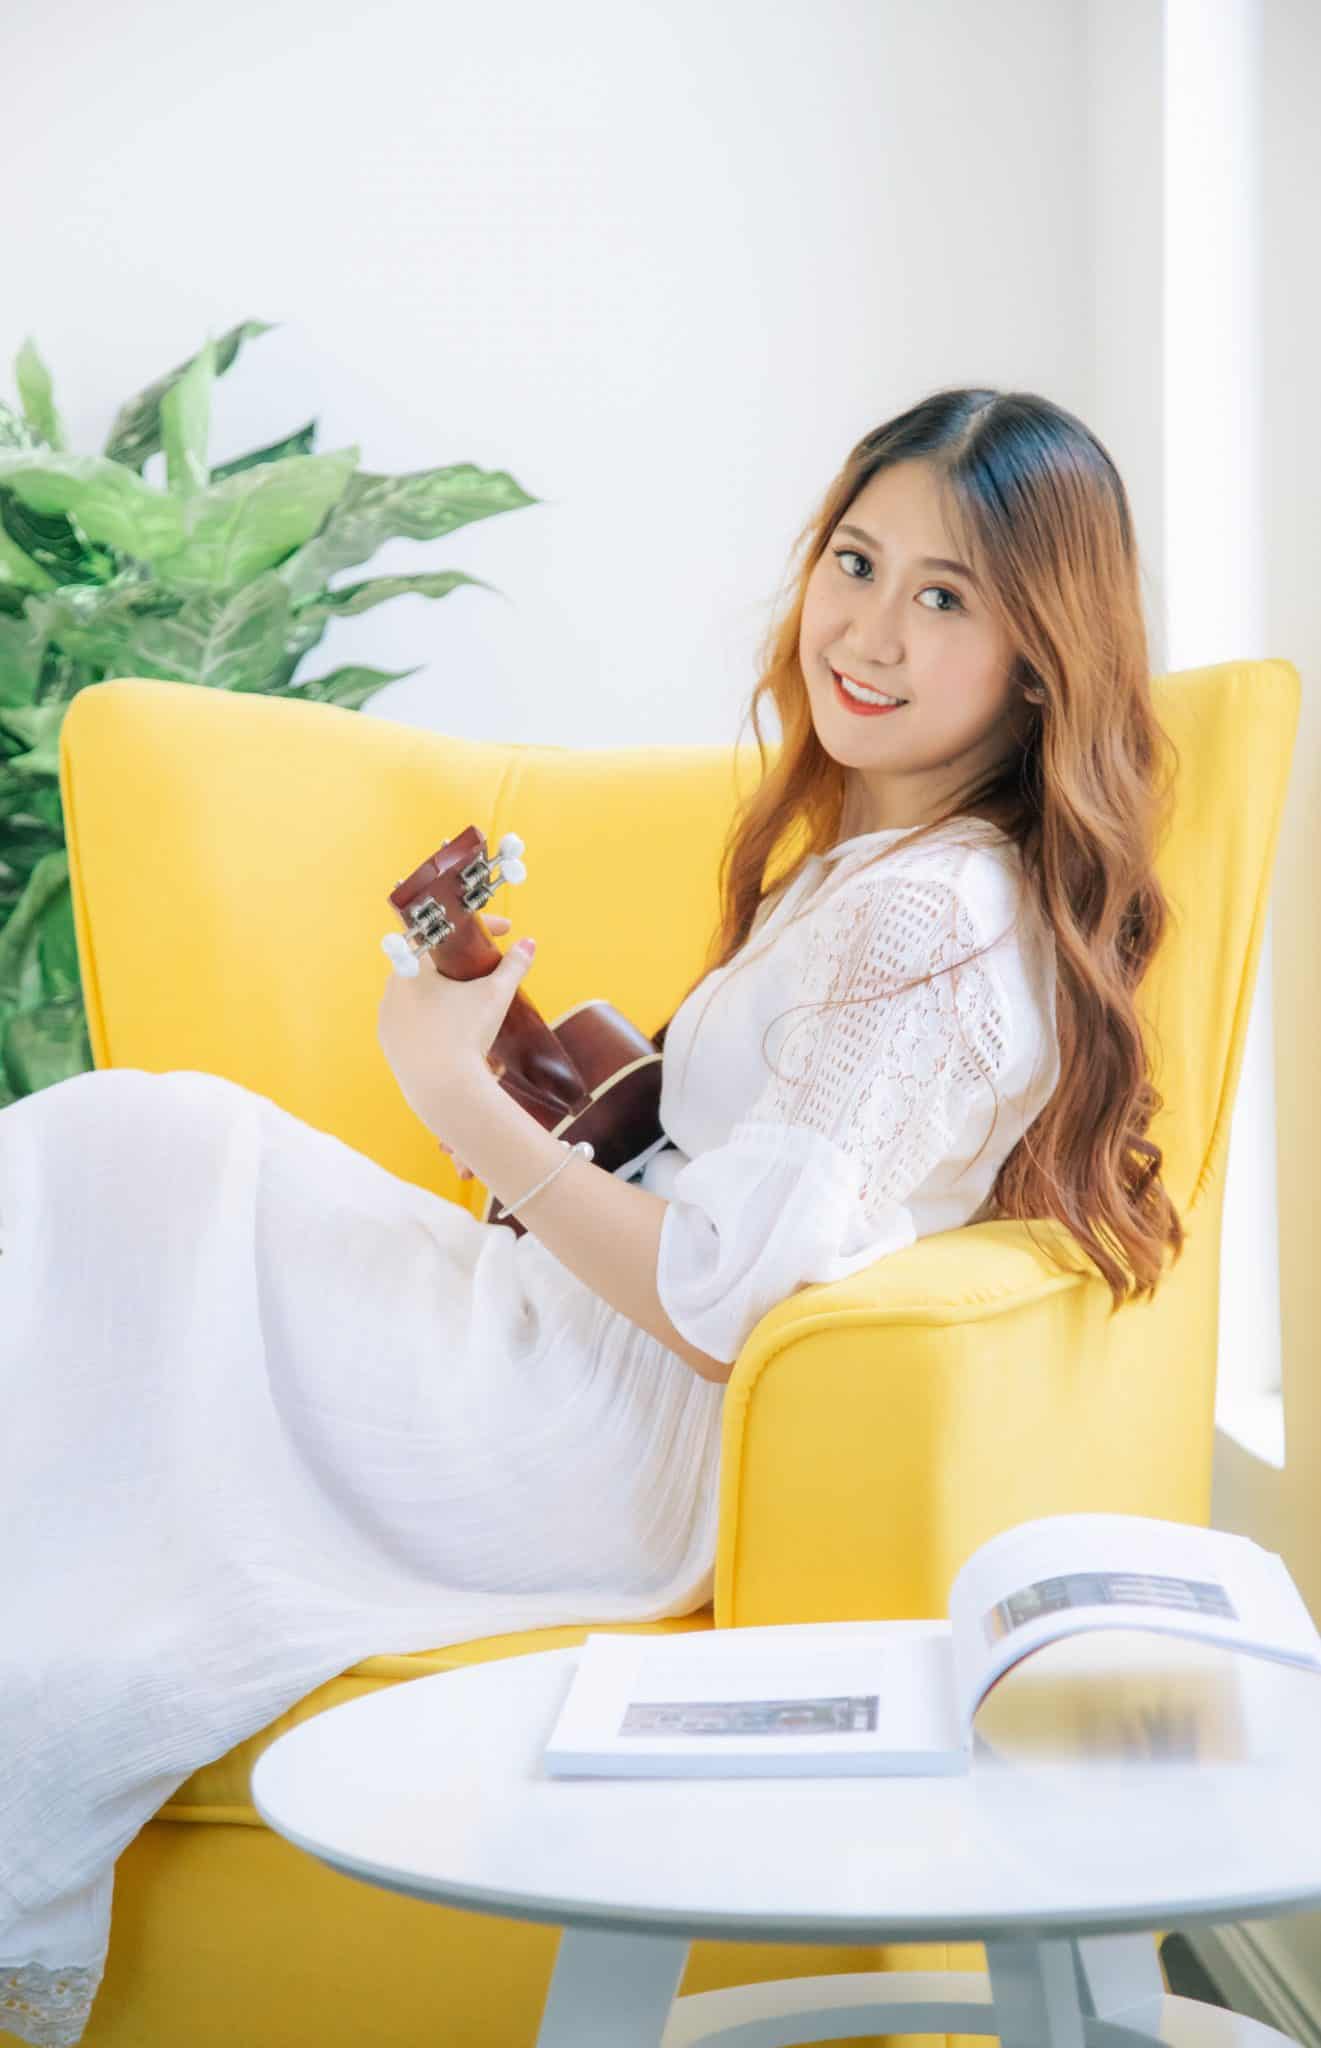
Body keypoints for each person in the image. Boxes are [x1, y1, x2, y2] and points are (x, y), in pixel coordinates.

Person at [0, 385, 1184, 2046]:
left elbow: (726, 1303)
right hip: (570, 1356)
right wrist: (553, 1083)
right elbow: (733, 1190)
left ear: (1042, 651)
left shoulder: (931, 918)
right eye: (854, 562)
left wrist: (454, 1095)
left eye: (946, 596)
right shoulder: (869, 863)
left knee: (152, 1165)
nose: (869, 631)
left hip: (603, 1431)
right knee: (143, 1170)